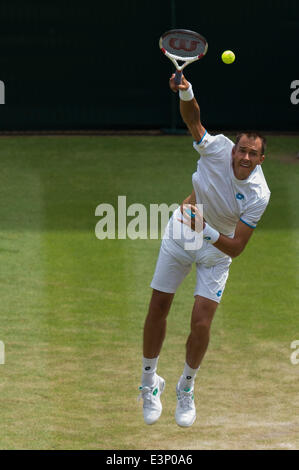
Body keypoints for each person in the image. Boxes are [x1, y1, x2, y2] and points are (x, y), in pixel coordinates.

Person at [138, 73, 271, 427]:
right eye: (241, 150)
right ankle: (149, 382)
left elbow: (237, 247)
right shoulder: (217, 149)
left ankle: (186, 387)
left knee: (200, 324)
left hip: (216, 251)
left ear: (260, 160)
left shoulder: (259, 194)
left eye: (252, 154)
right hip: (181, 235)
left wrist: (207, 230)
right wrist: (187, 91)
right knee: (158, 307)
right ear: (234, 148)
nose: (244, 156)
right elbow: (193, 119)